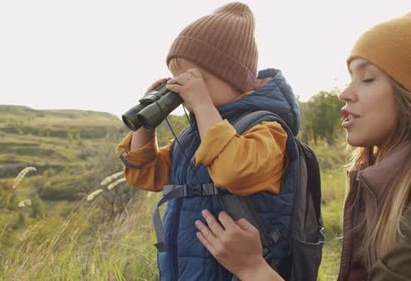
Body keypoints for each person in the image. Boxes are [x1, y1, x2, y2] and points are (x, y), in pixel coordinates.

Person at [195, 0, 411, 280]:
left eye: (368, 79)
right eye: (351, 77)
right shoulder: (397, 178)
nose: (345, 93)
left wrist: (253, 268)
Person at [116, 2, 302, 280]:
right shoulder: (197, 136)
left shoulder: (267, 129)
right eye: (178, 78)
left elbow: (234, 171)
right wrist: (146, 121)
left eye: (196, 78)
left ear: (235, 78)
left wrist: (203, 106)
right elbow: (146, 176)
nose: (186, 87)